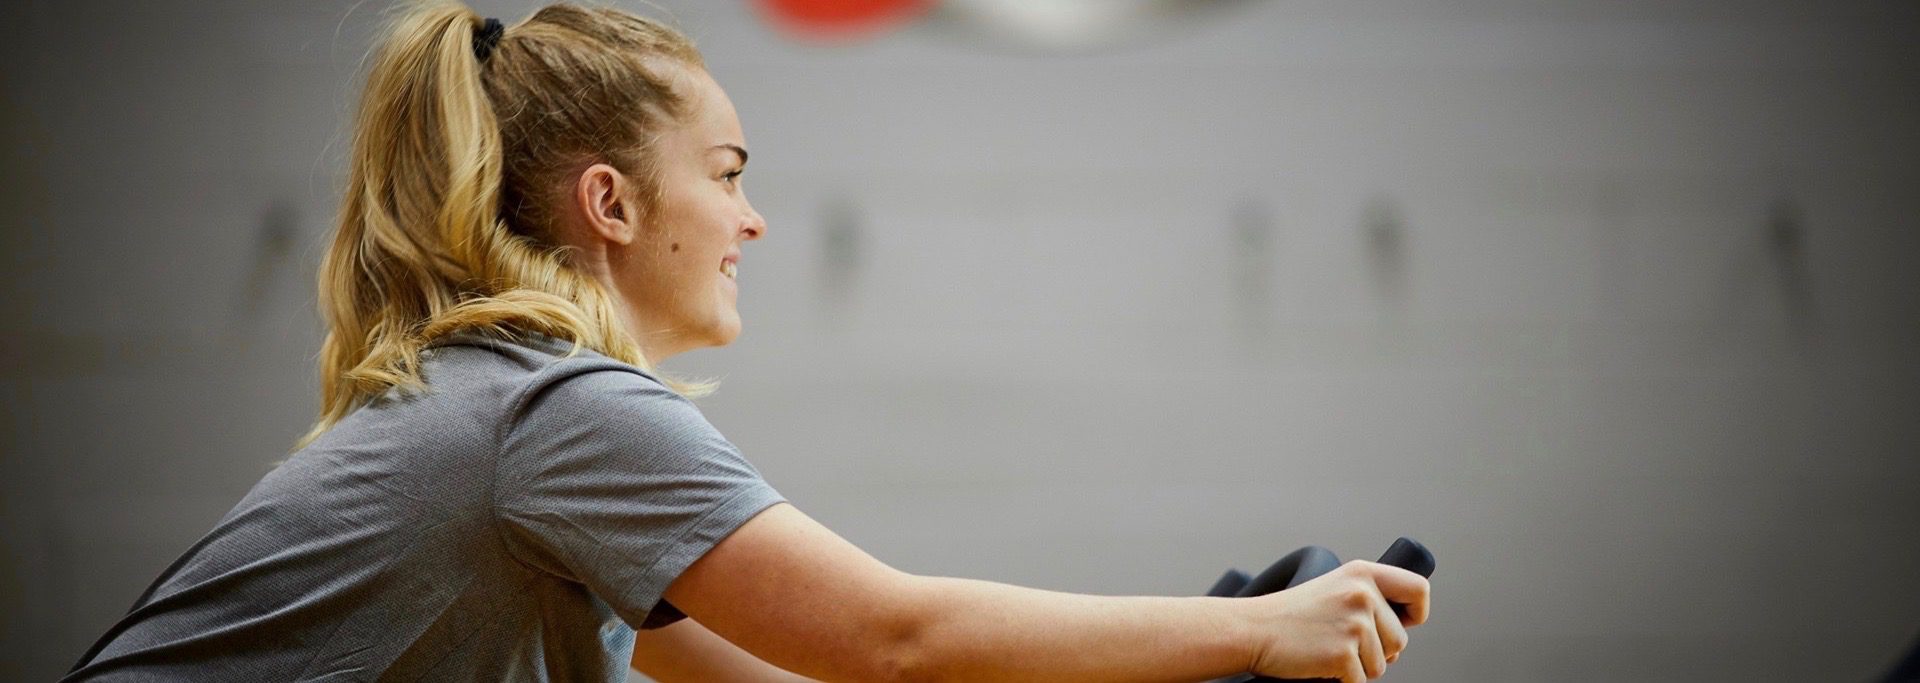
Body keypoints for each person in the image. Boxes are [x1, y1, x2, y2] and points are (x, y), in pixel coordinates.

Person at [62, 2, 1431, 681]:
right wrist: (1252, 633)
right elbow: (892, 639)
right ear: (611, 203)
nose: (755, 219)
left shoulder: (514, 421)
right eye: (725, 174)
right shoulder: (559, 413)